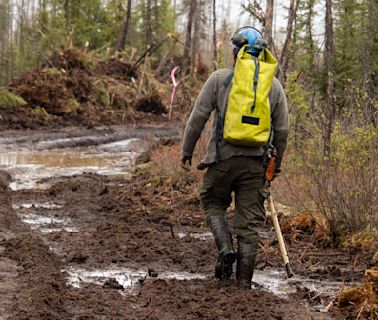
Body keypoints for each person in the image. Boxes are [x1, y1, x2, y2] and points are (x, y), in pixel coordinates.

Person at [180, 26, 289, 289]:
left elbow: (197, 118)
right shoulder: (273, 87)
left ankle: (225, 248)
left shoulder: (219, 79)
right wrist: (276, 165)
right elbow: (283, 130)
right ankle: (243, 285)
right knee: (249, 224)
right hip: (256, 167)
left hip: (221, 162)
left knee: (213, 200)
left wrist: (187, 150)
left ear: (235, 53)